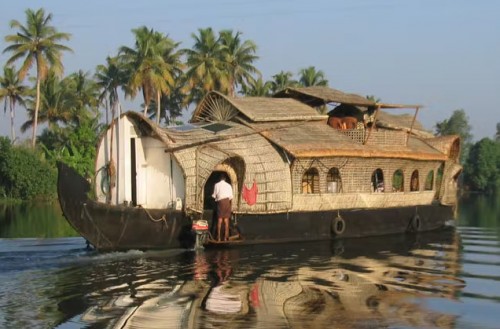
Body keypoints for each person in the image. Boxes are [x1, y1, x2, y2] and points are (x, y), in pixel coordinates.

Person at [212, 174, 233, 241]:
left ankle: (218, 237)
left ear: (220, 179)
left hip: (220, 202)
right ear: (225, 179)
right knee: (226, 220)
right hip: (227, 202)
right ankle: (225, 237)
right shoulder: (229, 185)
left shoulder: (217, 185)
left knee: (220, 220)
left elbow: (214, 195)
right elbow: (231, 197)